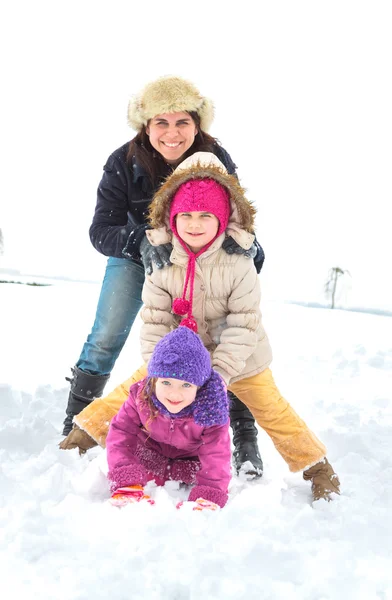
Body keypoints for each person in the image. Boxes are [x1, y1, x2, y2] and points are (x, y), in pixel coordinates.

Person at [61, 152, 341, 502]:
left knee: (273, 409)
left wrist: (220, 375)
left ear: (222, 218)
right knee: (133, 389)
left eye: (205, 215)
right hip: (179, 359)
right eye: (186, 215)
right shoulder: (162, 260)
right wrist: (158, 367)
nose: (194, 224)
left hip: (241, 359)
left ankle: (318, 468)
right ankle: (81, 435)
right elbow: (155, 319)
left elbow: (245, 323)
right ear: (172, 216)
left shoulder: (239, 262)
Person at [61, 75, 264, 477]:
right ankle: (80, 422)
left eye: (182, 123)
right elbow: (100, 230)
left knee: (226, 335)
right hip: (142, 259)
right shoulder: (122, 161)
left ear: (197, 124)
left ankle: (242, 436)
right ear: (146, 125)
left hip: (203, 259)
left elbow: (239, 213)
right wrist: (140, 240)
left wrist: (251, 247)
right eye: (161, 123)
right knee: (106, 334)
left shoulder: (214, 156)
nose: (172, 133)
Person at [107, 325, 231, 510]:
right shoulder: (141, 397)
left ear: (200, 387)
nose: (174, 394)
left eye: (186, 385)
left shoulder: (211, 409)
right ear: (154, 379)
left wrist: (209, 493)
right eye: (166, 382)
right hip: (148, 458)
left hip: (189, 466)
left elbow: (216, 453)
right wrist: (126, 478)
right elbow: (121, 433)